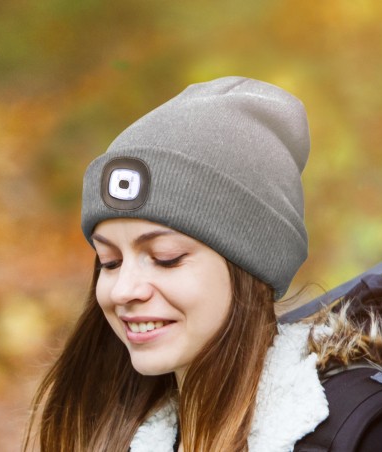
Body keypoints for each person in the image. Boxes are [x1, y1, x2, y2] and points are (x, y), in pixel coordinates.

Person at [24, 76, 329, 452]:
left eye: (165, 258)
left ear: (252, 266)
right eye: (110, 261)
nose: (124, 291)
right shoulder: (110, 432)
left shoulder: (365, 434)